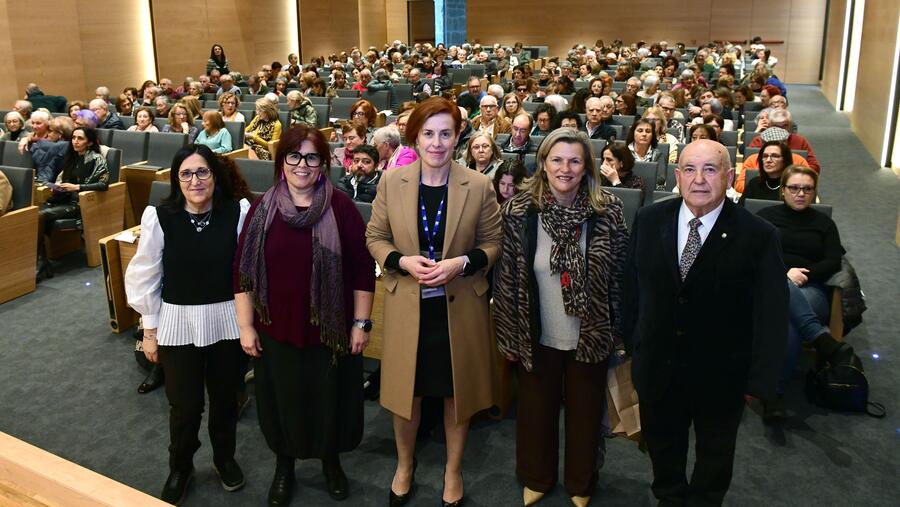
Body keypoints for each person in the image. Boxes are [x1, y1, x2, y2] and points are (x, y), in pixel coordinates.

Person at [622, 139, 788, 507]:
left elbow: (772, 313)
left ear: (729, 176)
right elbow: (631, 287)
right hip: (657, 368)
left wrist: (760, 381)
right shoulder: (650, 220)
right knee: (663, 452)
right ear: (677, 176)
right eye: (690, 170)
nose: (699, 179)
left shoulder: (758, 235)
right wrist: (633, 345)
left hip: (721, 377)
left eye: (710, 169)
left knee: (714, 460)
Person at [366, 97, 502, 507]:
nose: (437, 143)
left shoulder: (478, 185)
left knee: (454, 394)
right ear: (416, 137)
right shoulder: (392, 180)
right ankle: (404, 465)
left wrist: (460, 263)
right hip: (409, 304)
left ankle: (452, 469)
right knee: (407, 395)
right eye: (429, 134)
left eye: (446, 133)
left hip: (458, 305)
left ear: (458, 135)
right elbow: (374, 237)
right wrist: (401, 260)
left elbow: (493, 245)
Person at [235, 125, 375, 505]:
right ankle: (285, 465)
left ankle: (331, 463)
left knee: (329, 401)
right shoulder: (262, 207)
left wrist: (361, 323)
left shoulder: (341, 206)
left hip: (330, 332)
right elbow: (242, 271)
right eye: (294, 156)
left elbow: (363, 270)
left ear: (323, 164)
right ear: (281, 162)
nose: (302, 164)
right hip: (276, 330)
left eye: (312, 157)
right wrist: (246, 326)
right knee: (283, 401)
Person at [492, 128, 628, 507]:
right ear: (543, 164)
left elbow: (620, 273)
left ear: (586, 167)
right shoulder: (519, 210)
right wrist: (508, 337)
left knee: (586, 416)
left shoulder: (608, 209)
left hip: (592, 332)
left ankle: (581, 483)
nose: (565, 168)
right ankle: (537, 476)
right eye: (557, 159)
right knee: (536, 413)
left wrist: (618, 332)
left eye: (574, 160)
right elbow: (506, 279)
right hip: (535, 331)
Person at [125, 145, 249, 504]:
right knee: (185, 405)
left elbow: (248, 272)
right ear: (177, 180)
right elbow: (144, 275)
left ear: (215, 175)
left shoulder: (236, 212)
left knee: (226, 399)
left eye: (202, 172)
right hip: (177, 323)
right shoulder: (160, 216)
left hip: (228, 321)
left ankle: (224, 458)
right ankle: (181, 466)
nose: (195, 181)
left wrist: (250, 325)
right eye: (186, 174)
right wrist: (150, 330)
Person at [756, 165, 852, 421]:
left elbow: (833, 261)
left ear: (814, 193)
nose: (800, 193)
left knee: (790, 316)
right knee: (791, 317)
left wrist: (804, 274)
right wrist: (785, 272)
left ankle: (772, 394)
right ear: (783, 191)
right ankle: (818, 338)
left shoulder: (824, 223)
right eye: (794, 188)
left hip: (811, 289)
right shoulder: (765, 216)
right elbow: (754, 255)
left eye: (807, 189)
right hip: (769, 286)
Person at [36, 127, 109, 280]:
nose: (75, 141)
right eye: (74, 138)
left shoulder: (97, 158)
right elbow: (64, 181)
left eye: (80, 138)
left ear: (89, 142)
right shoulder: (71, 157)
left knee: (40, 216)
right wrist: (58, 187)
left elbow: (104, 184)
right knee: (32, 215)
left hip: (81, 203)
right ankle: (41, 263)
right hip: (64, 199)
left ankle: (40, 264)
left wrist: (77, 187)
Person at [739, 140, 792, 204]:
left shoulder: (792, 187)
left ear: (785, 160)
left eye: (775, 156)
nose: (768, 160)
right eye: (765, 156)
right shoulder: (754, 184)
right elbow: (741, 208)